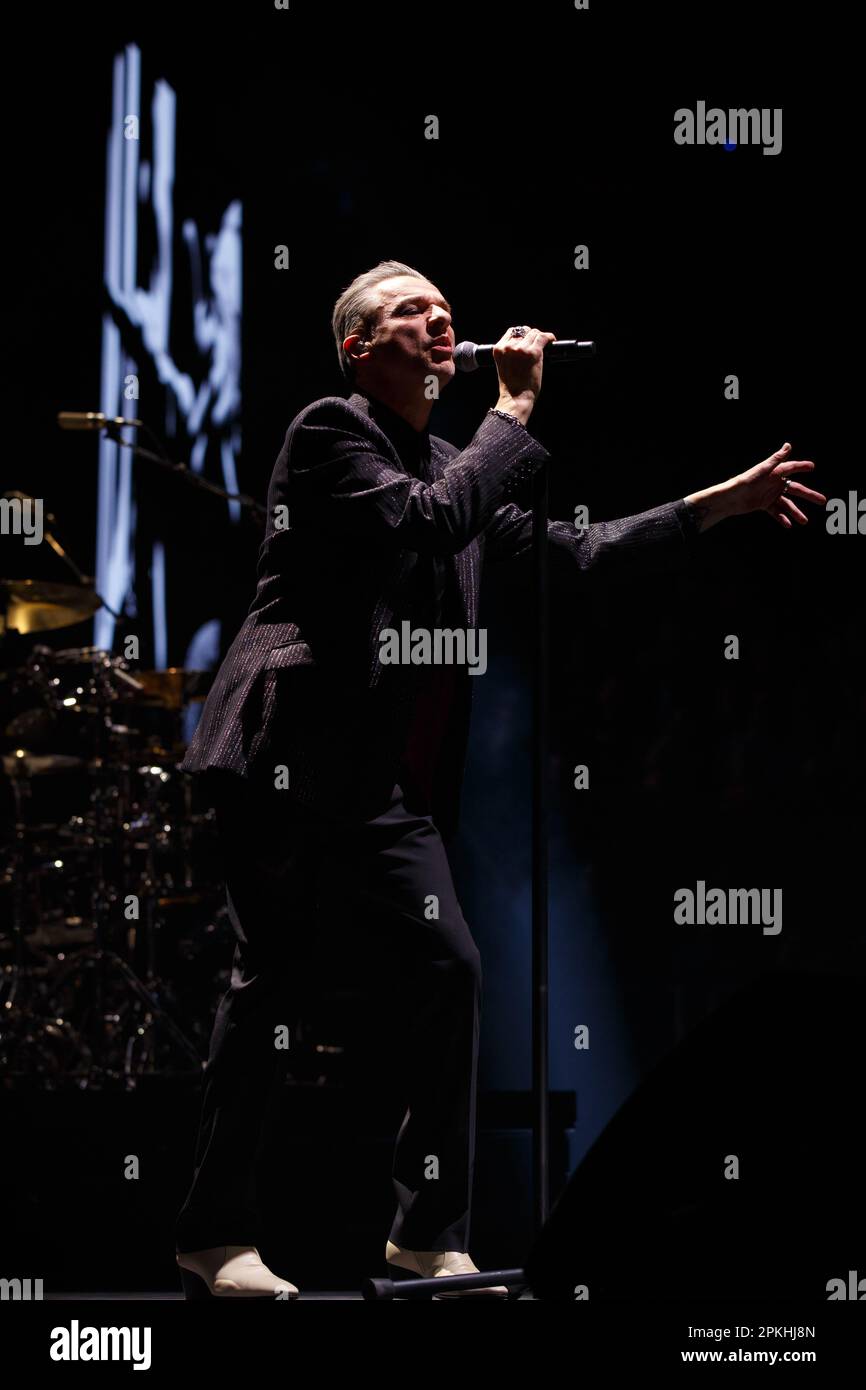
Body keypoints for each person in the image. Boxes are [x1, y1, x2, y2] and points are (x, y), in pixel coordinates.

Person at [174, 259, 824, 1299]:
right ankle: (212, 1236)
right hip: (285, 756)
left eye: (444, 310)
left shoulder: (449, 460)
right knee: (272, 991)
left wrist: (719, 503)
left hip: (378, 783)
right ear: (357, 347)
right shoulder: (329, 432)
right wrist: (514, 409)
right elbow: (425, 521)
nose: (439, 321)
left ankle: (426, 1233)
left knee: (450, 969)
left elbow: (576, 554)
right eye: (408, 313)